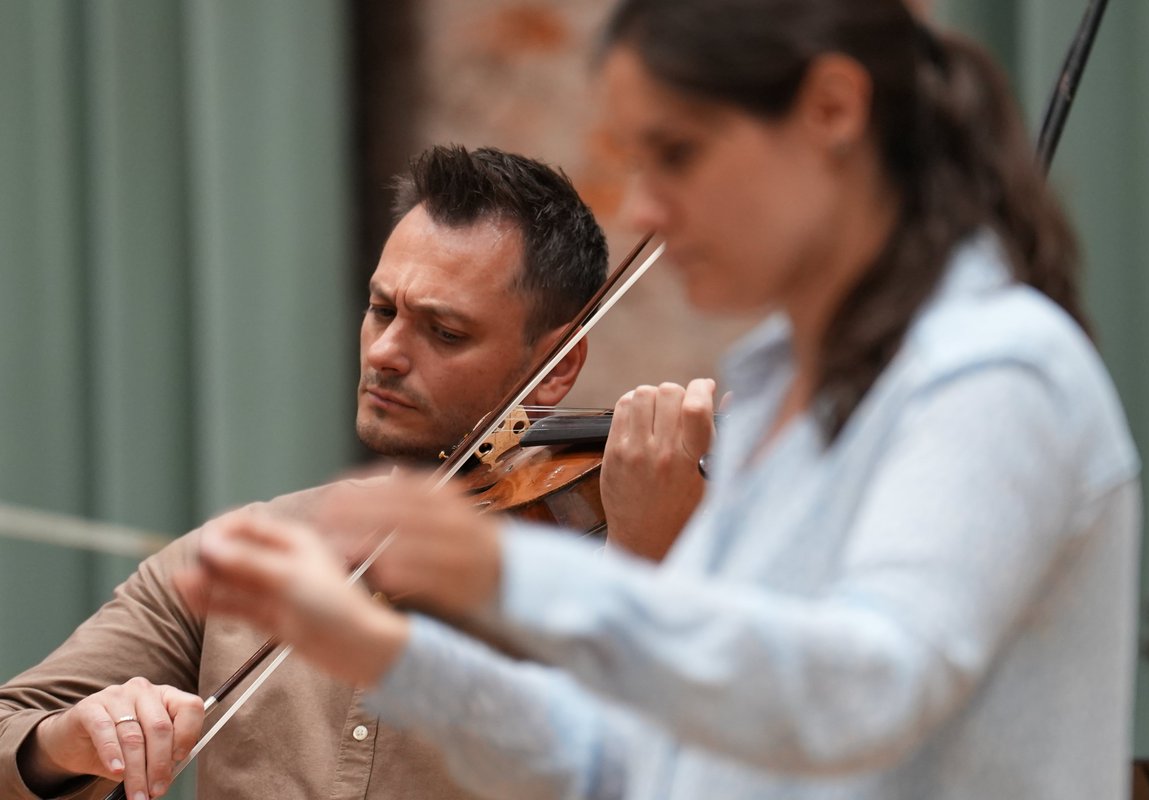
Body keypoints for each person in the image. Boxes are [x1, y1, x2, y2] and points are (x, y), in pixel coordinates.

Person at [178, 1, 1143, 798]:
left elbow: (863, 689)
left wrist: (511, 576)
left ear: (833, 112)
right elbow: (635, 760)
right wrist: (385, 653)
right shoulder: (776, 400)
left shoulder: (991, 375)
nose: (642, 208)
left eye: (676, 154)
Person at [0, 144, 711, 800]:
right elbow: (13, 726)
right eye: (380, 310)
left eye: (445, 332)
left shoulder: (628, 573)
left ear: (556, 370)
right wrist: (67, 741)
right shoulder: (247, 554)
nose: (386, 353)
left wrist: (651, 563)